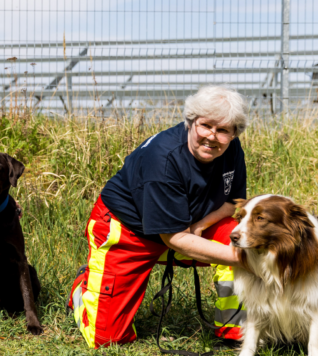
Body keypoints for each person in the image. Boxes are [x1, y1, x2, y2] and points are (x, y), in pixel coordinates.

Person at [68, 85, 248, 348]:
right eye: (205, 126)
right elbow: (174, 238)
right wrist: (241, 258)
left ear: (233, 134)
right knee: (106, 339)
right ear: (190, 122)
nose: (212, 136)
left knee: (241, 240)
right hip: (129, 231)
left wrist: (200, 226)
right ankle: (82, 288)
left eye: (222, 130)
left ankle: (234, 332)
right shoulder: (163, 158)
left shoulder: (231, 148)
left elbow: (233, 201)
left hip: (188, 226)